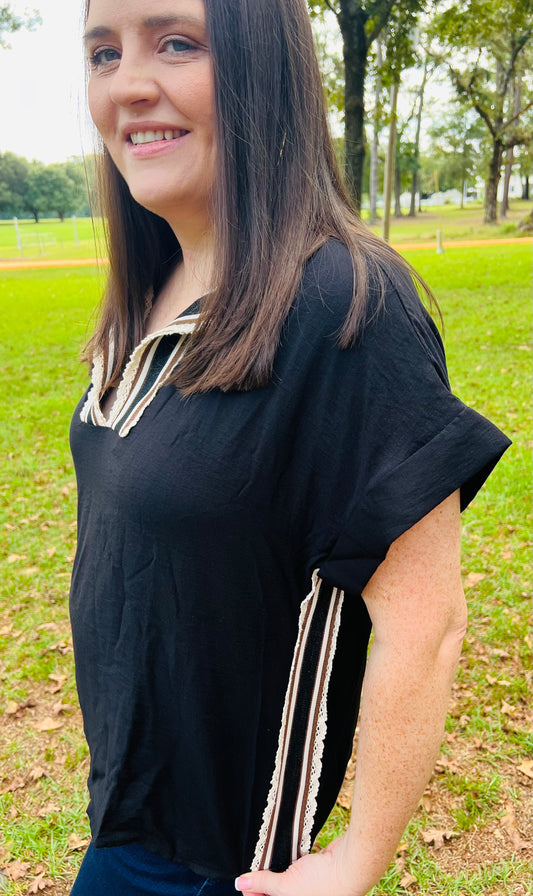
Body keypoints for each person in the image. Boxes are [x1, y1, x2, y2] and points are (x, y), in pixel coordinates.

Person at [69, 0, 510, 893]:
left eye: (177, 43)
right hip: (125, 807)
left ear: (262, 66)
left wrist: (354, 861)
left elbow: (424, 624)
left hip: (219, 864)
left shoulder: (346, 303)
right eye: (103, 53)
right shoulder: (154, 287)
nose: (129, 85)